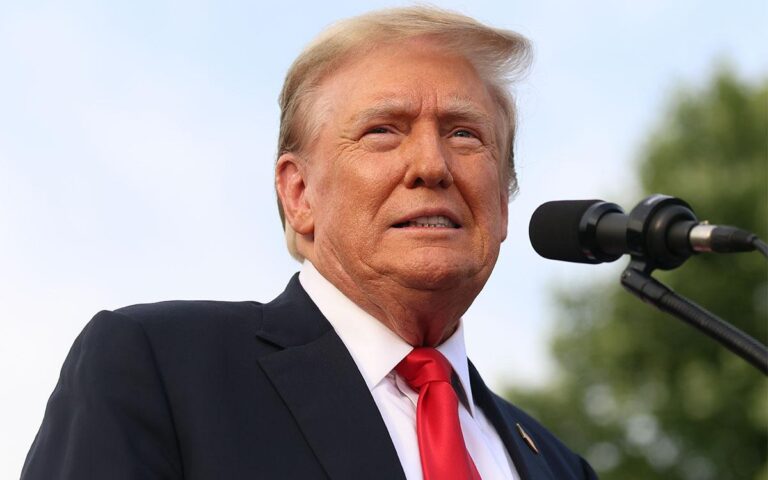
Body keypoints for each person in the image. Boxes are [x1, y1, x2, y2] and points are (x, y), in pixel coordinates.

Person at [22, 7, 597, 480]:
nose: (431, 165)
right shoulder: (160, 369)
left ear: (501, 204)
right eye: (383, 131)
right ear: (299, 194)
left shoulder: (562, 467)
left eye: (464, 134)